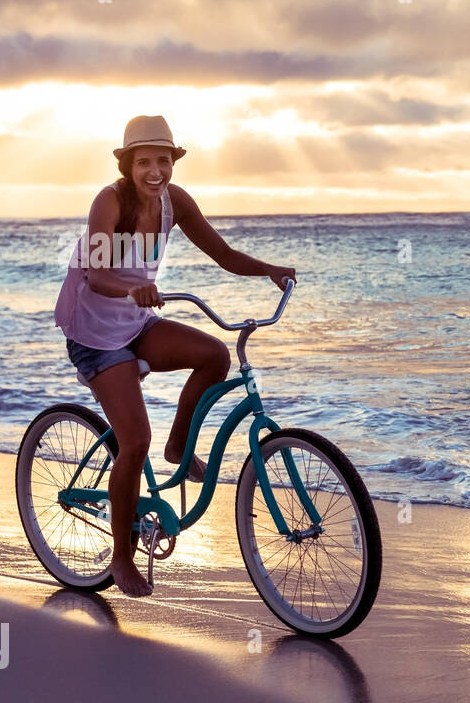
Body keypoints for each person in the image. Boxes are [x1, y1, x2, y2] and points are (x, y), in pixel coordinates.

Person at [53, 115, 296, 598]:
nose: (156, 170)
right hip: (95, 333)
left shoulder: (175, 202)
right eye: (144, 161)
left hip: (135, 322)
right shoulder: (110, 200)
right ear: (128, 164)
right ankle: (121, 557)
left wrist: (269, 269)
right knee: (134, 440)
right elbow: (97, 274)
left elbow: (223, 254)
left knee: (213, 355)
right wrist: (135, 286)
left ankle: (178, 450)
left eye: (164, 160)